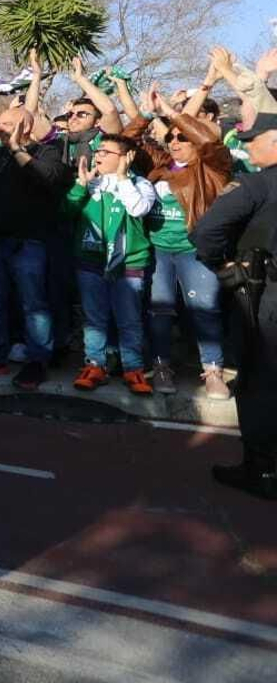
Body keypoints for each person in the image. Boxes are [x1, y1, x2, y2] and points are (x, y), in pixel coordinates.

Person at [190, 111, 277, 501]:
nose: (247, 146)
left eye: (253, 139)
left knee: (258, 382)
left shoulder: (254, 185)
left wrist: (221, 264)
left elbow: (206, 232)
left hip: (262, 297)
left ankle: (262, 470)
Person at [0, 106, 74, 388]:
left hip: (29, 242)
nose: (0, 127)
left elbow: (48, 178)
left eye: (8, 123)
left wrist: (16, 149)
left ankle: (38, 361)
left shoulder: (47, 150)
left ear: (25, 125)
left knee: (33, 303)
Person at [135, 88, 236, 398]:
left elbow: (208, 141)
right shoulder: (159, 167)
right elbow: (128, 139)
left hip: (195, 251)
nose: (175, 142)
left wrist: (171, 110)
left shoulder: (213, 169)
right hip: (158, 251)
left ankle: (213, 370)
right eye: (172, 138)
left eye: (183, 138)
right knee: (160, 310)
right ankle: (162, 365)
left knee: (204, 309)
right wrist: (150, 113)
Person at [66, 135, 157, 393]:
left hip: (128, 265)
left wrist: (123, 178)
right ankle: (95, 364)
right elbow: (67, 212)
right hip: (90, 262)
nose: (98, 155)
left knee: (128, 320)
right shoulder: (90, 184)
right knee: (94, 319)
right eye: (98, 151)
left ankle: (134, 369)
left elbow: (138, 208)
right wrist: (80, 187)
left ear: (125, 157)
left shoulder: (141, 184)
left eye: (106, 152)